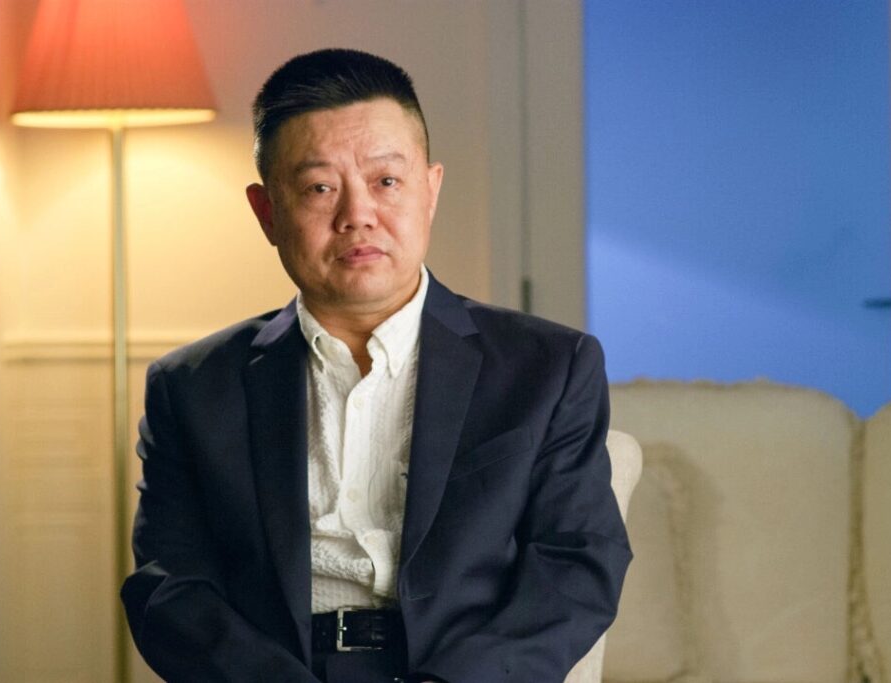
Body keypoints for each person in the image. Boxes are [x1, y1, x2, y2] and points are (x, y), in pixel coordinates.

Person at [121, 48, 631, 683]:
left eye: (386, 181)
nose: (357, 215)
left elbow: (575, 566)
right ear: (266, 212)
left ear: (430, 190)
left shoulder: (547, 367)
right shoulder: (192, 388)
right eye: (319, 188)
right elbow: (169, 585)